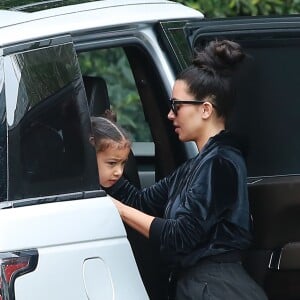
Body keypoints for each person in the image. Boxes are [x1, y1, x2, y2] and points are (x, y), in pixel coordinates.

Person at [103, 40, 268, 299]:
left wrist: (116, 208)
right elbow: (142, 202)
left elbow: (179, 235)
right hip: (199, 286)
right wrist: (100, 159)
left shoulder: (221, 163)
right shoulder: (197, 165)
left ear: (205, 109)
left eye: (177, 106)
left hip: (217, 289)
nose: (170, 115)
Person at [89, 110, 131, 188]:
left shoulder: (114, 184)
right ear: (91, 156)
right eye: (112, 163)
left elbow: (136, 199)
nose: (119, 172)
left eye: (123, 163)